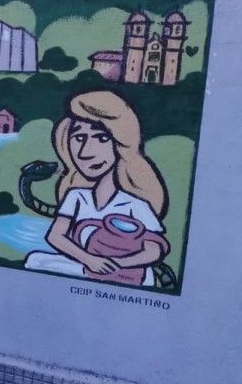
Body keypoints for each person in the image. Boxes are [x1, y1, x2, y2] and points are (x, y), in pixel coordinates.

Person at [24, 90, 170, 286]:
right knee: (35, 260)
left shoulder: (136, 205)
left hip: (128, 277)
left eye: (101, 138)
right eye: (79, 138)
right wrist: (90, 260)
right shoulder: (76, 196)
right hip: (86, 269)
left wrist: (116, 264)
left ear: (120, 143)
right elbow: (55, 236)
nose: (85, 152)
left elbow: (154, 250)